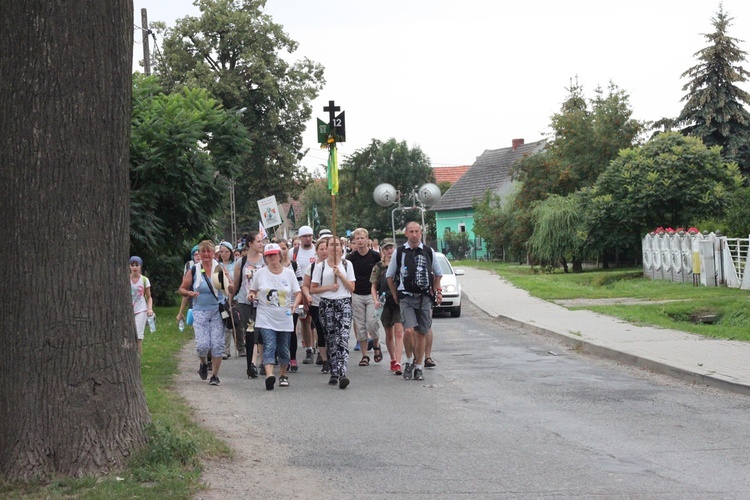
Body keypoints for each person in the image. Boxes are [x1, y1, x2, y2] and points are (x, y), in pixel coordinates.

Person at [386, 222, 442, 381]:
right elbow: (390, 275)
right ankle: (409, 361)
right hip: (407, 297)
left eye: (417, 231)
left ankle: (418, 367)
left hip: (424, 297)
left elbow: (438, 273)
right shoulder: (400, 252)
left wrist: (435, 290)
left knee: (421, 333)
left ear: (421, 233)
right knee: (409, 330)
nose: (414, 234)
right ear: (406, 233)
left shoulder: (428, 251)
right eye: (411, 231)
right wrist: (395, 293)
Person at [247, 243, 301, 390]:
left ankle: (283, 375)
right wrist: (251, 295)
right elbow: (253, 290)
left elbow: (298, 293)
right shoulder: (260, 273)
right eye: (269, 255)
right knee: (269, 345)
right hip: (266, 316)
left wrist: (294, 305)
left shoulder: (289, 274)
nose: (272, 257)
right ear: (265, 257)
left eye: (274, 254)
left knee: (283, 348)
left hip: (285, 316)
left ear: (280, 255)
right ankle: (270, 375)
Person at [179, 240, 226, 386]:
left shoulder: (219, 269)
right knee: (202, 345)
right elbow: (182, 289)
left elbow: (228, 290)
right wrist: (189, 293)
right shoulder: (194, 270)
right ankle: (203, 363)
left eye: (209, 251)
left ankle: (215, 376)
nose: (206, 254)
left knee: (217, 345)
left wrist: (229, 286)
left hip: (217, 311)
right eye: (203, 251)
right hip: (199, 311)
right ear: (199, 253)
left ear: (213, 253)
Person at [312, 237, 356, 389]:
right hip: (327, 303)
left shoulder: (346, 264)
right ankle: (334, 371)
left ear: (341, 247)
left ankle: (343, 372)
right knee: (330, 338)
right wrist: (329, 287)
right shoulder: (320, 267)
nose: (334, 248)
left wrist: (341, 275)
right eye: (331, 245)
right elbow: (313, 288)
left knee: (342, 338)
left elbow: (352, 288)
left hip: (344, 302)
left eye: (337, 245)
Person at [346, 227, 382, 366]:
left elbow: (381, 272)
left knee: (372, 323)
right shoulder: (350, 258)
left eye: (362, 238)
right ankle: (365, 355)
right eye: (357, 238)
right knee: (360, 326)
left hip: (372, 294)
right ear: (354, 241)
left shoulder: (375, 256)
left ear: (368, 240)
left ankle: (377, 344)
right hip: (356, 294)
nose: (360, 241)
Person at [369, 239, 405, 374]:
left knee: (399, 332)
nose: (389, 251)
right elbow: (373, 285)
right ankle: (392, 358)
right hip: (384, 301)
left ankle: (398, 362)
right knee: (389, 333)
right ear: (382, 251)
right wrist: (375, 300)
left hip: (398, 301)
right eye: (386, 248)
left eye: (391, 248)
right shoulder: (379, 266)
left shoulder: (400, 264)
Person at [231, 231, 264, 377]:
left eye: (262, 241)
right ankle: (251, 365)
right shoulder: (241, 262)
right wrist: (230, 298)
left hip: (263, 302)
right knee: (250, 332)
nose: (261, 244)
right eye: (258, 241)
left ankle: (263, 362)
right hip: (245, 302)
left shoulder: (265, 260)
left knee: (261, 333)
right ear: (250, 244)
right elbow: (237, 283)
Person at [289, 225, 317, 364]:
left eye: (310, 236)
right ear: (300, 238)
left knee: (318, 321)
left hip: (316, 291)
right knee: (304, 320)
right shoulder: (293, 252)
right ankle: (309, 349)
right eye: (305, 236)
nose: (308, 239)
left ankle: (320, 346)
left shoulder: (317, 250)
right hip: (300, 292)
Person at [302, 238, 330, 373]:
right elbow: (305, 286)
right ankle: (324, 360)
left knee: (331, 331)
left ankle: (332, 357)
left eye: (326, 248)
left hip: (332, 302)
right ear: (317, 251)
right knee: (320, 330)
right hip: (317, 303)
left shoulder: (335, 265)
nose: (324, 251)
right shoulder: (312, 267)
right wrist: (307, 296)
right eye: (321, 249)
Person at [278, 239, 301, 371]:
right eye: (280, 248)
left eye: (284, 248)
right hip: (277, 304)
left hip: (292, 304)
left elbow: (300, 283)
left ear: (288, 249)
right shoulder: (272, 265)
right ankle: (282, 357)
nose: (282, 251)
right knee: (280, 332)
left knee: (291, 332)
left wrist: (301, 299)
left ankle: (292, 357)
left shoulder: (294, 265)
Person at [217, 241, 238, 360]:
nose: (224, 254)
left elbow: (236, 282)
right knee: (222, 323)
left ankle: (235, 347)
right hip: (220, 299)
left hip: (233, 298)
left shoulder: (235, 265)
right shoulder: (216, 265)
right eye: (222, 252)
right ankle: (223, 349)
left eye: (226, 251)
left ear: (231, 252)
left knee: (231, 323)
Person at [129, 256, 153, 356]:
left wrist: (149, 308)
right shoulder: (126, 279)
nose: (135, 267)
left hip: (141, 310)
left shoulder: (144, 280)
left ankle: (137, 359)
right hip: (128, 310)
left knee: (138, 336)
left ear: (140, 266)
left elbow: (149, 297)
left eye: (137, 265)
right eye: (132, 265)